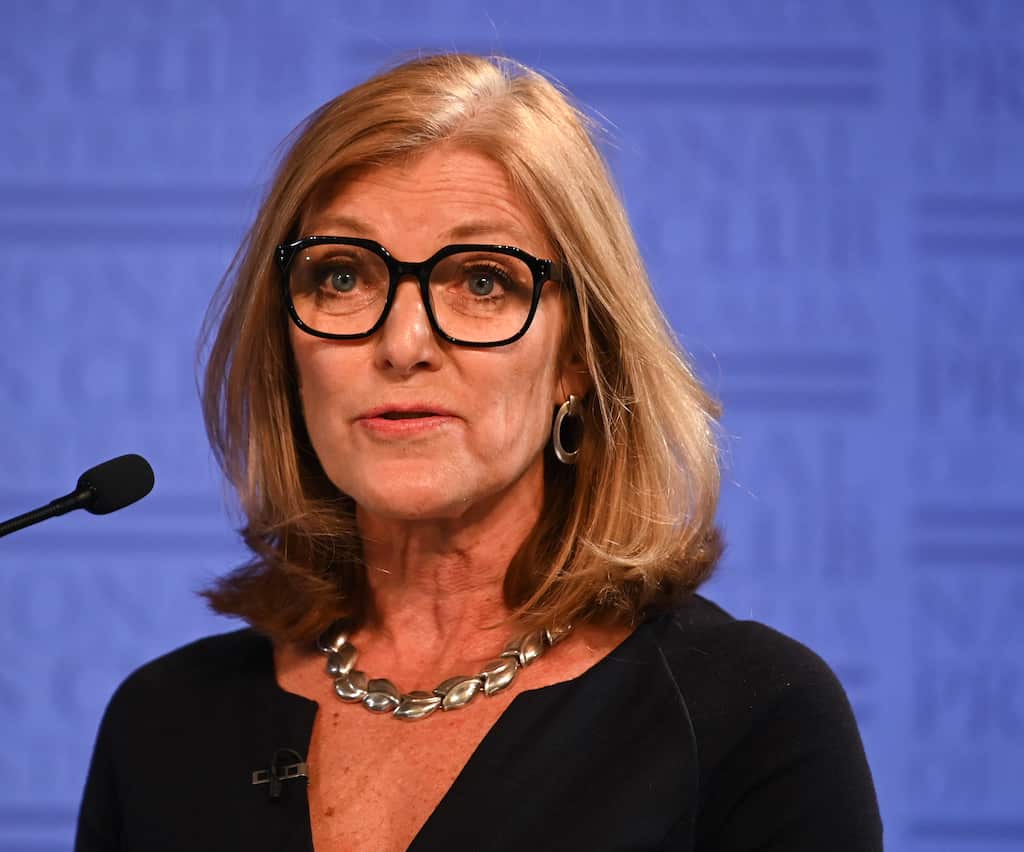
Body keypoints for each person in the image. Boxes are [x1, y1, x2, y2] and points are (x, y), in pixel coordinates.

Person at [73, 53, 883, 851]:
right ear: (287, 346)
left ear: (578, 357)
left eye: (483, 281)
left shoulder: (750, 718)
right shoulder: (163, 726)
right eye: (344, 277)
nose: (402, 343)